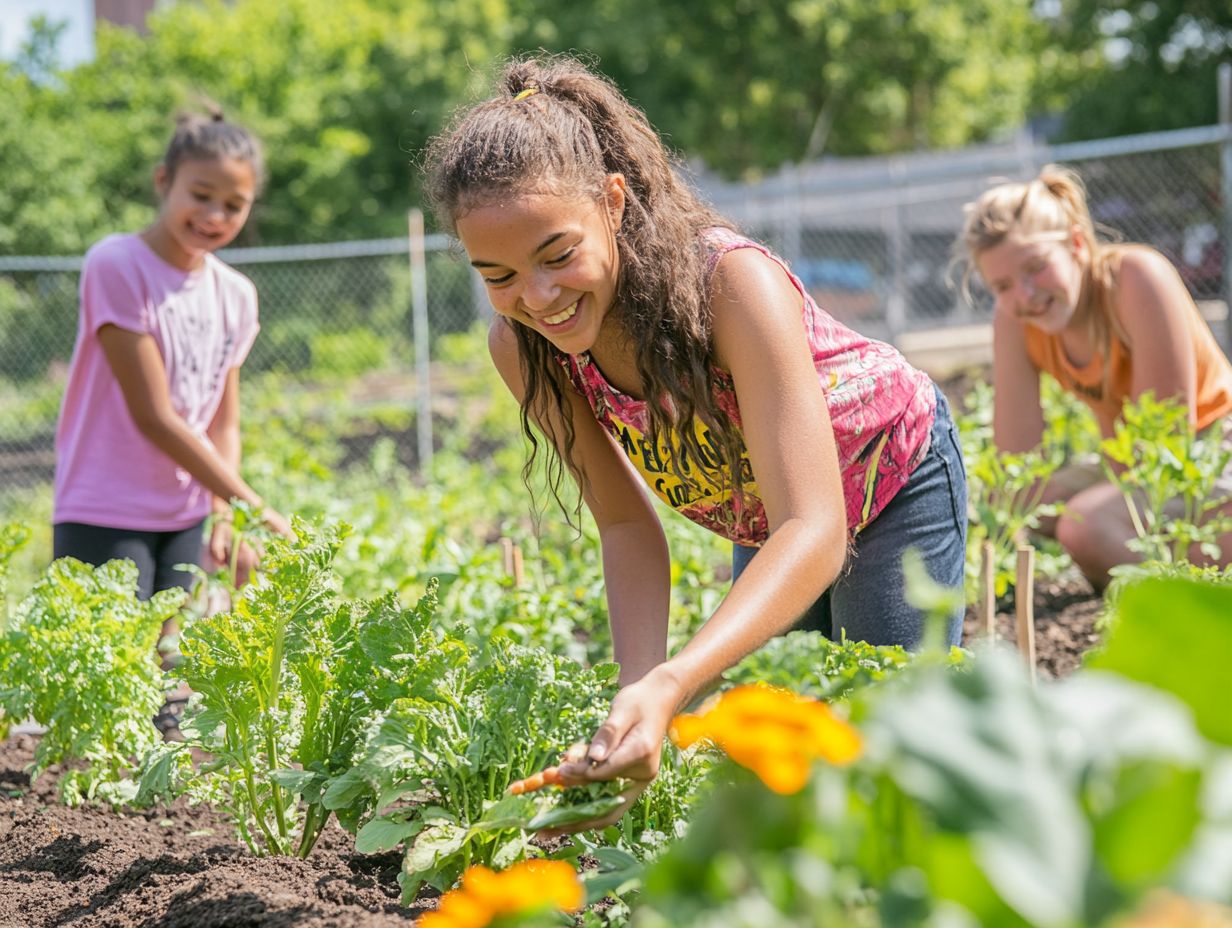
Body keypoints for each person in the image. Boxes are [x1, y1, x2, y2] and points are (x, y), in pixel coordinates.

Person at [424, 55, 967, 822]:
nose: (535, 296)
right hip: (767, 516)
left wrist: (677, 682)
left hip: (887, 479)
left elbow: (815, 527)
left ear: (612, 203)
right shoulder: (525, 347)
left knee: (890, 745)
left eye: (557, 255)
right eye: (497, 274)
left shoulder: (730, 284)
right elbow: (624, 523)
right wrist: (637, 699)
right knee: (772, 770)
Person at [53, 107, 292, 637]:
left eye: (234, 205)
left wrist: (224, 514)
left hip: (184, 515)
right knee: (105, 678)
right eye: (201, 195)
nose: (215, 215)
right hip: (104, 509)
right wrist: (251, 505)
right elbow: (153, 416)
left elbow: (223, 422)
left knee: (167, 679)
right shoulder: (116, 265)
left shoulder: (236, 295)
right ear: (164, 181)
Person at [959, 165, 1232, 590]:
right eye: (1003, 286)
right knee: (1030, 503)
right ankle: (1179, 567)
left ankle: (1188, 596)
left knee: (1084, 526)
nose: (1024, 296)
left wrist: (1094, 506)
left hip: (1206, 452)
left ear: (1076, 242)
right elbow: (1016, 467)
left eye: (1035, 268)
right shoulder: (1015, 319)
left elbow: (1164, 439)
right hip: (1127, 465)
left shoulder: (1137, 278)